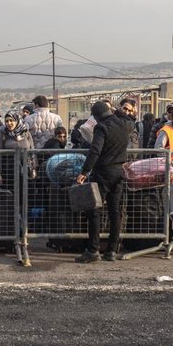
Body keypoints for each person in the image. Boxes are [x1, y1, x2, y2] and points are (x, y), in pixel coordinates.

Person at [75, 101, 132, 263]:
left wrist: (84, 171)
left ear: (96, 116)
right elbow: (131, 122)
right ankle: (111, 251)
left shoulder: (101, 127)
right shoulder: (124, 125)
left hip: (103, 172)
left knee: (94, 210)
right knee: (115, 212)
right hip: (119, 171)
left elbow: (95, 150)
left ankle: (93, 250)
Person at [0, 110, 35, 188]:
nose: (9, 123)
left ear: (17, 120)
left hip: (26, 168)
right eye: (6, 121)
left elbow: (32, 150)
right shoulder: (3, 133)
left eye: (11, 120)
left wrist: (33, 168)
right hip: (9, 170)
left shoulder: (25, 131)